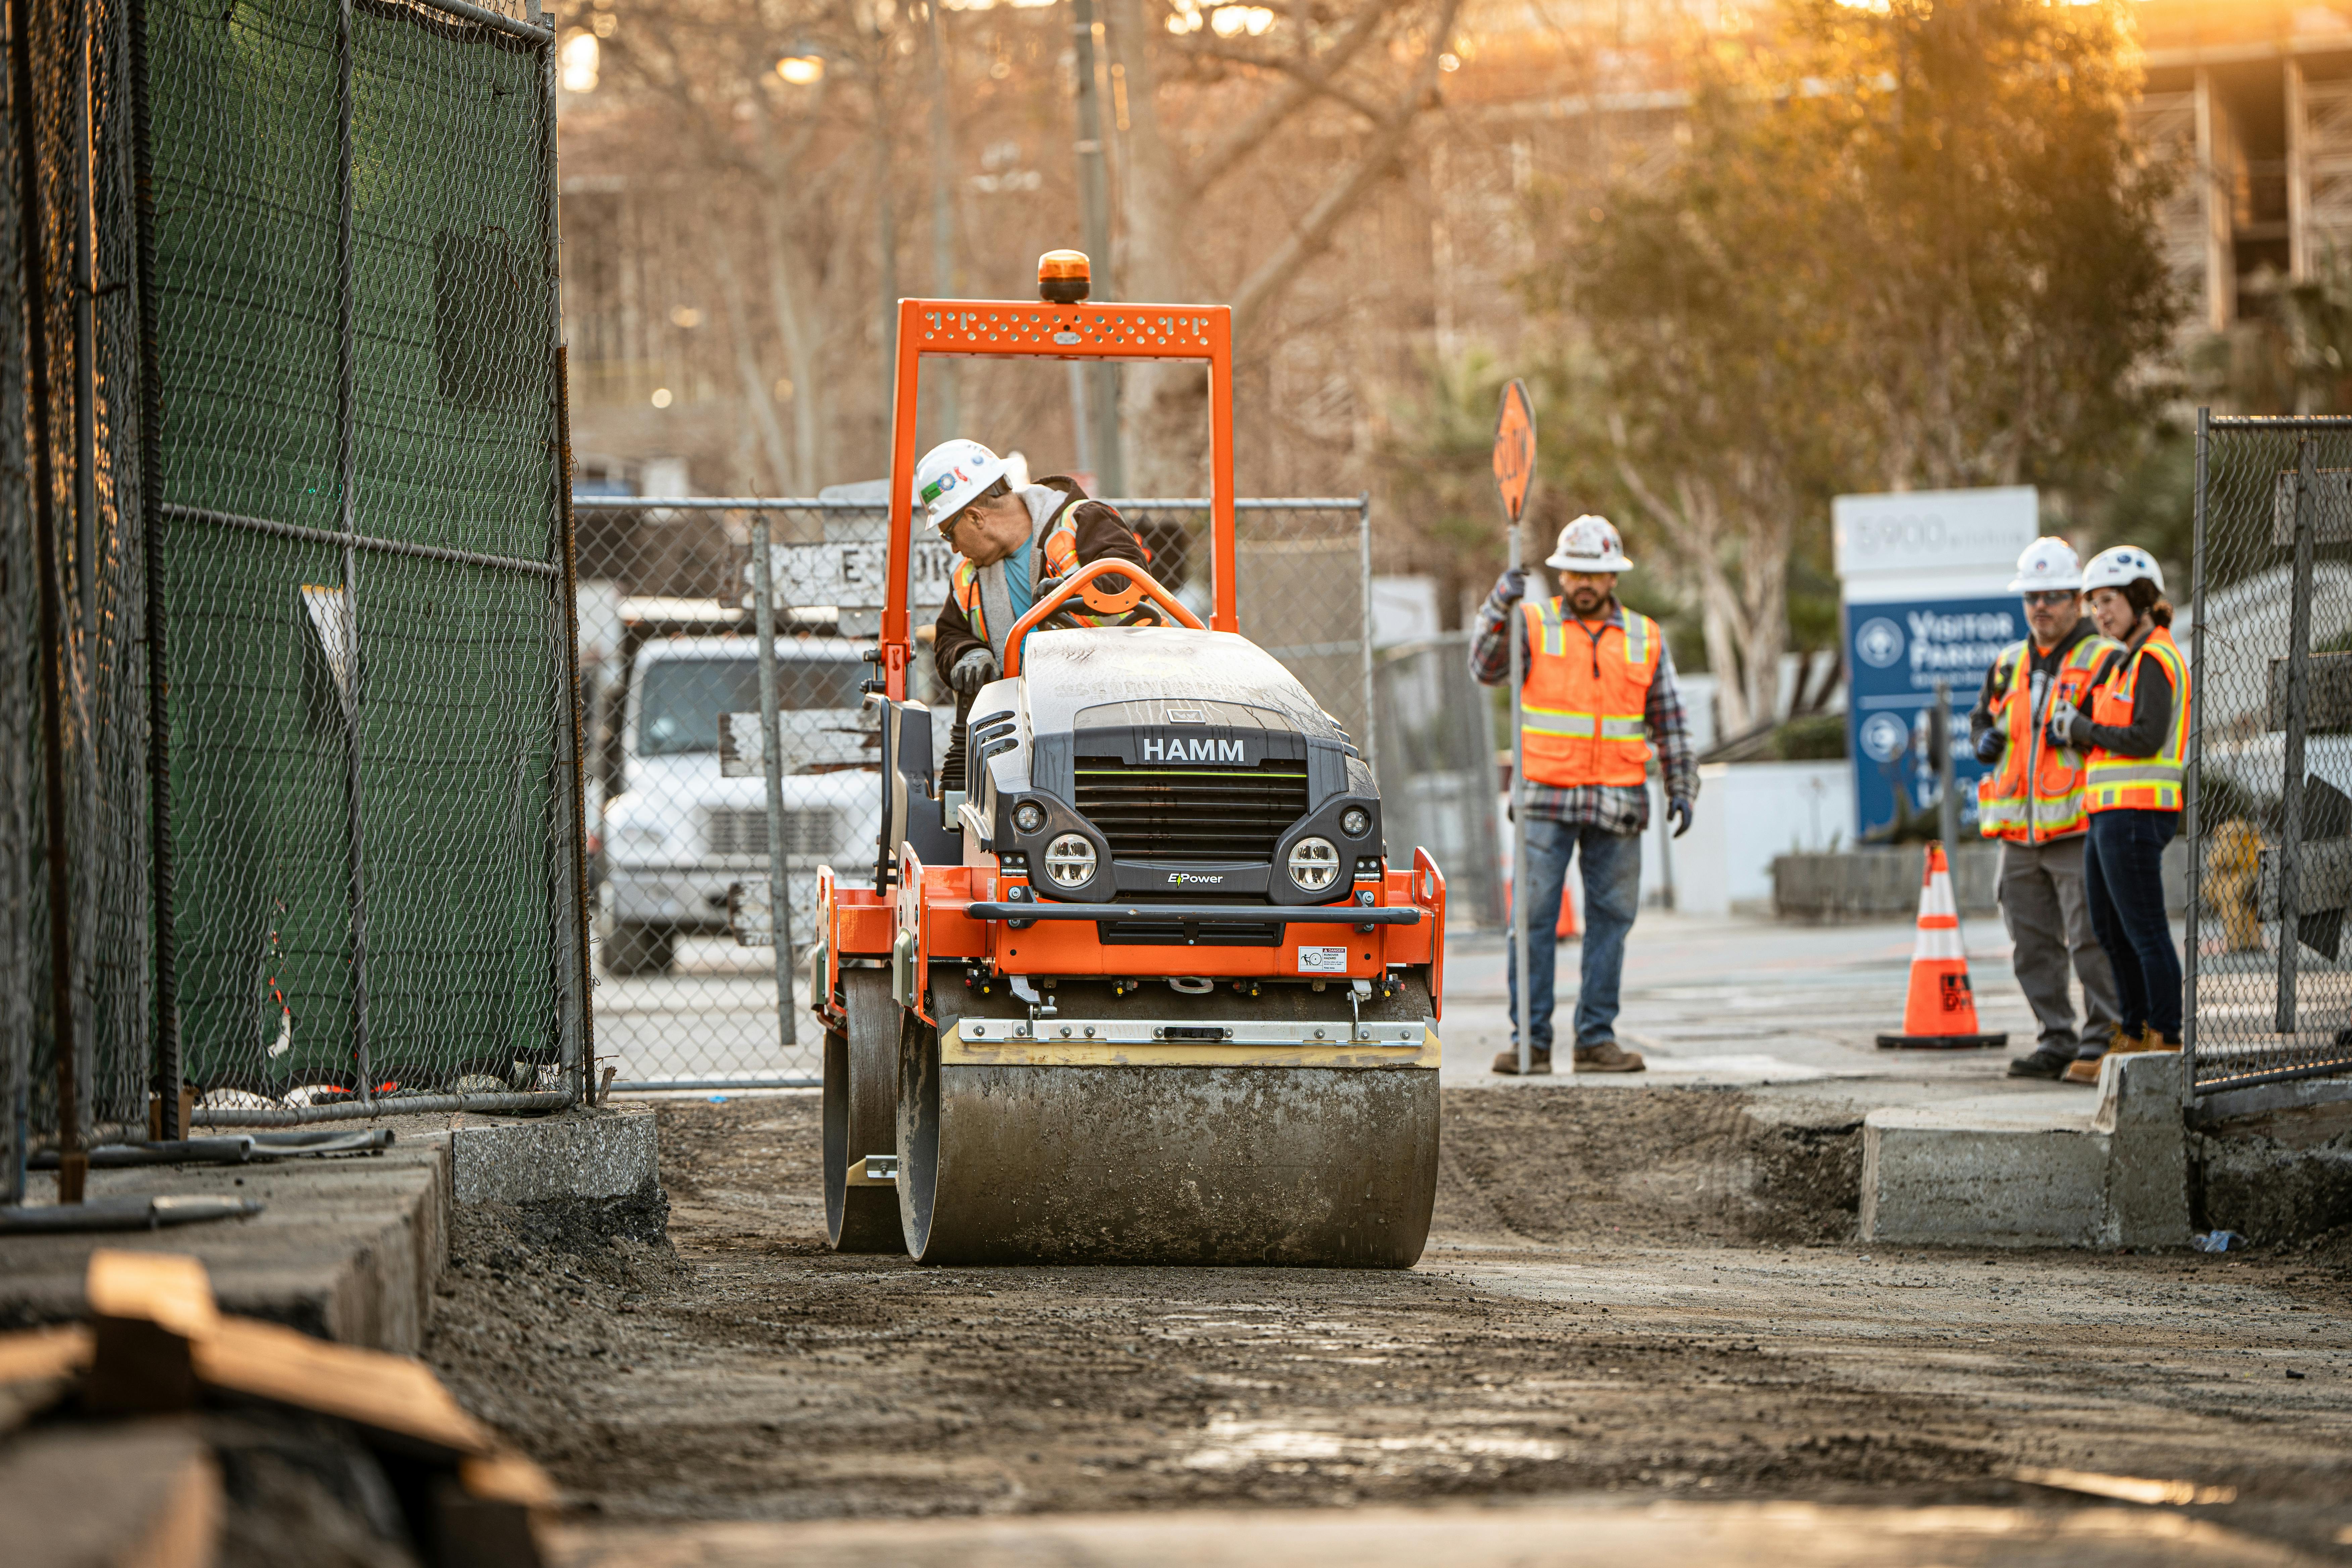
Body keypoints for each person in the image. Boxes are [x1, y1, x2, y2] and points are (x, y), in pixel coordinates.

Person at [1472, 515, 1697, 1075]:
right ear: (1561, 571)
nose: (1583, 582)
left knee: (1611, 920)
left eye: (1595, 572)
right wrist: (1497, 605)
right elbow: (1484, 666)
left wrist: (1682, 784)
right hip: (1545, 798)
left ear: (1613, 576)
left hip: (1617, 801)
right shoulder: (1531, 622)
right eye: (1574, 571)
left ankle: (1595, 1039)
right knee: (1531, 920)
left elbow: (1669, 720)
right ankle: (1531, 1043)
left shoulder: (1644, 637)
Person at [1969, 537, 2126, 1081]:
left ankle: (2102, 1040)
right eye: (2031, 597)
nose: (2040, 607)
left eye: (2052, 596)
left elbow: (2123, 731)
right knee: (2030, 946)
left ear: (2077, 600)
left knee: (2090, 941)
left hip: (2080, 827)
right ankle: (2055, 1039)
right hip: (2017, 833)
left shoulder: (2105, 659)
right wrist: (1981, 740)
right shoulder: (2007, 663)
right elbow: (1982, 720)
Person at [917, 439, 1153, 782]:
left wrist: (1072, 592)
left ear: (975, 517)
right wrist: (968, 654)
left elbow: (1133, 582)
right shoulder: (970, 578)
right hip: (1025, 732)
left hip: (1115, 713)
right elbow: (949, 636)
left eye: (949, 534)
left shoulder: (1083, 522)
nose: (954, 548)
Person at [2046, 545, 2190, 1084]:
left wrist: (2081, 729)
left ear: (2139, 599)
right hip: (2109, 813)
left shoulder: (2155, 657)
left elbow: (2146, 737)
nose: (2099, 614)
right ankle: (2130, 1032)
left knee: (2144, 930)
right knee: (2110, 929)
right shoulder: (2127, 660)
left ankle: (2167, 1038)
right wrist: (2080, 731)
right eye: (2094, 604)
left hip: (2136, 813)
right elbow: (2115, 740)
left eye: (2108, 601)